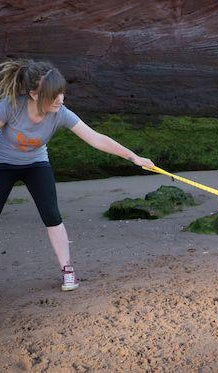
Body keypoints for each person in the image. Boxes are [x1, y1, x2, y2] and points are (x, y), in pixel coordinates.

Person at [0, 59, 155, 291]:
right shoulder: (10, 106)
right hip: (3, 164)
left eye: (61, 92)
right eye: (53, 94)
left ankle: (67, 270)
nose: (60, 99)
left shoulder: (60, 113)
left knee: (52, 215)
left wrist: (134, 157)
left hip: (36, 164)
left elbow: (96, 138)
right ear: (33, 94)